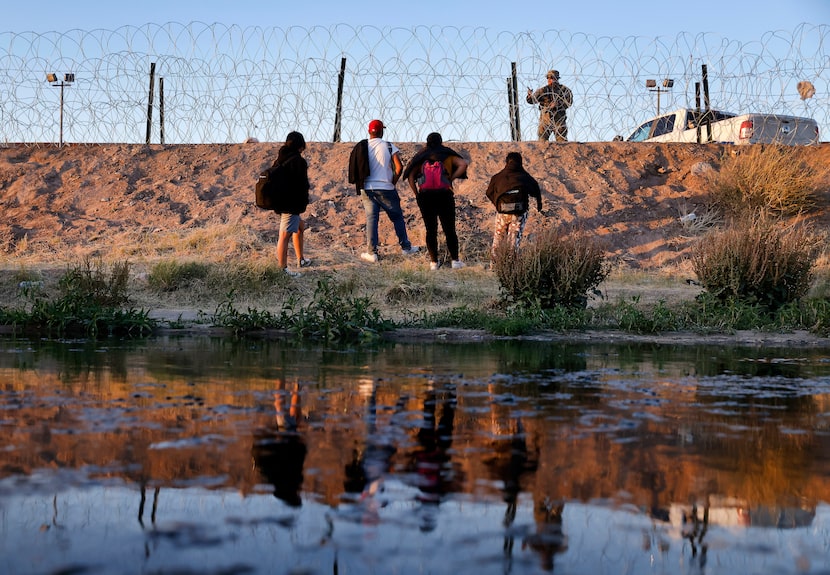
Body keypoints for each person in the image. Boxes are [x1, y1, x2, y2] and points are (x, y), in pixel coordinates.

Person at [348, 119, 419, 263]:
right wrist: (392, 182)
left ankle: (372, 253)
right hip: (386, 188)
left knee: (372, 219)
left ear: (369, 131)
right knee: (397, 217)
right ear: (382, 131)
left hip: (368, 188)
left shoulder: (363, 146)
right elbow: (399, 168)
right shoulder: (388, 146)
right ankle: (406, 248)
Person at [402, 132, 469, 270]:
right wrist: (451, 178)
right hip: (445, 195)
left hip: (426, 197)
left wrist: (417, 194)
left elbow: (410, 176)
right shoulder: (447, 154)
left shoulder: (421, 156)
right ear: (441, 141)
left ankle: (434, 262)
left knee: (430, 230)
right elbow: (463, 164)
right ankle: (455, 261)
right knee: (449, 229)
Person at [485, 152, 543, 257]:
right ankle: (511, 267)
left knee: (498, 240)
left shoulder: (498, 177)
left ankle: (494, 265)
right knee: (514, 241)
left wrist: (498, 203)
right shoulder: (524, 176)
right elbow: (535, 191)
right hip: (519, 214)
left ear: (507, 162)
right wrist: (539, 205)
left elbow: (489, 192)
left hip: (502, 213)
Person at [272, 131, 311, 277]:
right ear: (300, 146)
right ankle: (282, 270)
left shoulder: (280, 159)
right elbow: (301, 185)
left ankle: (300, 259)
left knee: (300, 227)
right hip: (291, 204)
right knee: (284, 236)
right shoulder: (298, 162)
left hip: (281, 202)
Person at [526, 70, 573, 142]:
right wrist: (529, 96)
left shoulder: (564, 90)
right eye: (548, 78)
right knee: (542, 141)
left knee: (561, 142)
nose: (549, 80)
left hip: (559, 119)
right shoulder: (543, 90)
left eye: (551, 78)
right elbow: (532, 101)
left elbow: (569, 102)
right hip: (545, 119)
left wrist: (558, 104)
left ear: (557, 79)